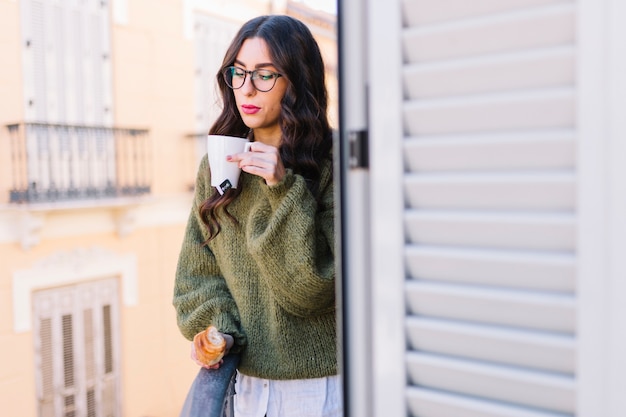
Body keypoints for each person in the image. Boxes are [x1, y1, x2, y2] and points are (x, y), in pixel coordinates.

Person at [173, 14, 340, 417]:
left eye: (265, 75)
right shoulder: (216, 166)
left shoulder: (333, 163)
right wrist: (218, 332)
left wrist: (281, 187)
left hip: (323, 389)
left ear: (296, 82)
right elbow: (195, 277)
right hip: (244, 390)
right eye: (239, 72)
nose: (246, 88)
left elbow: (313, 290)